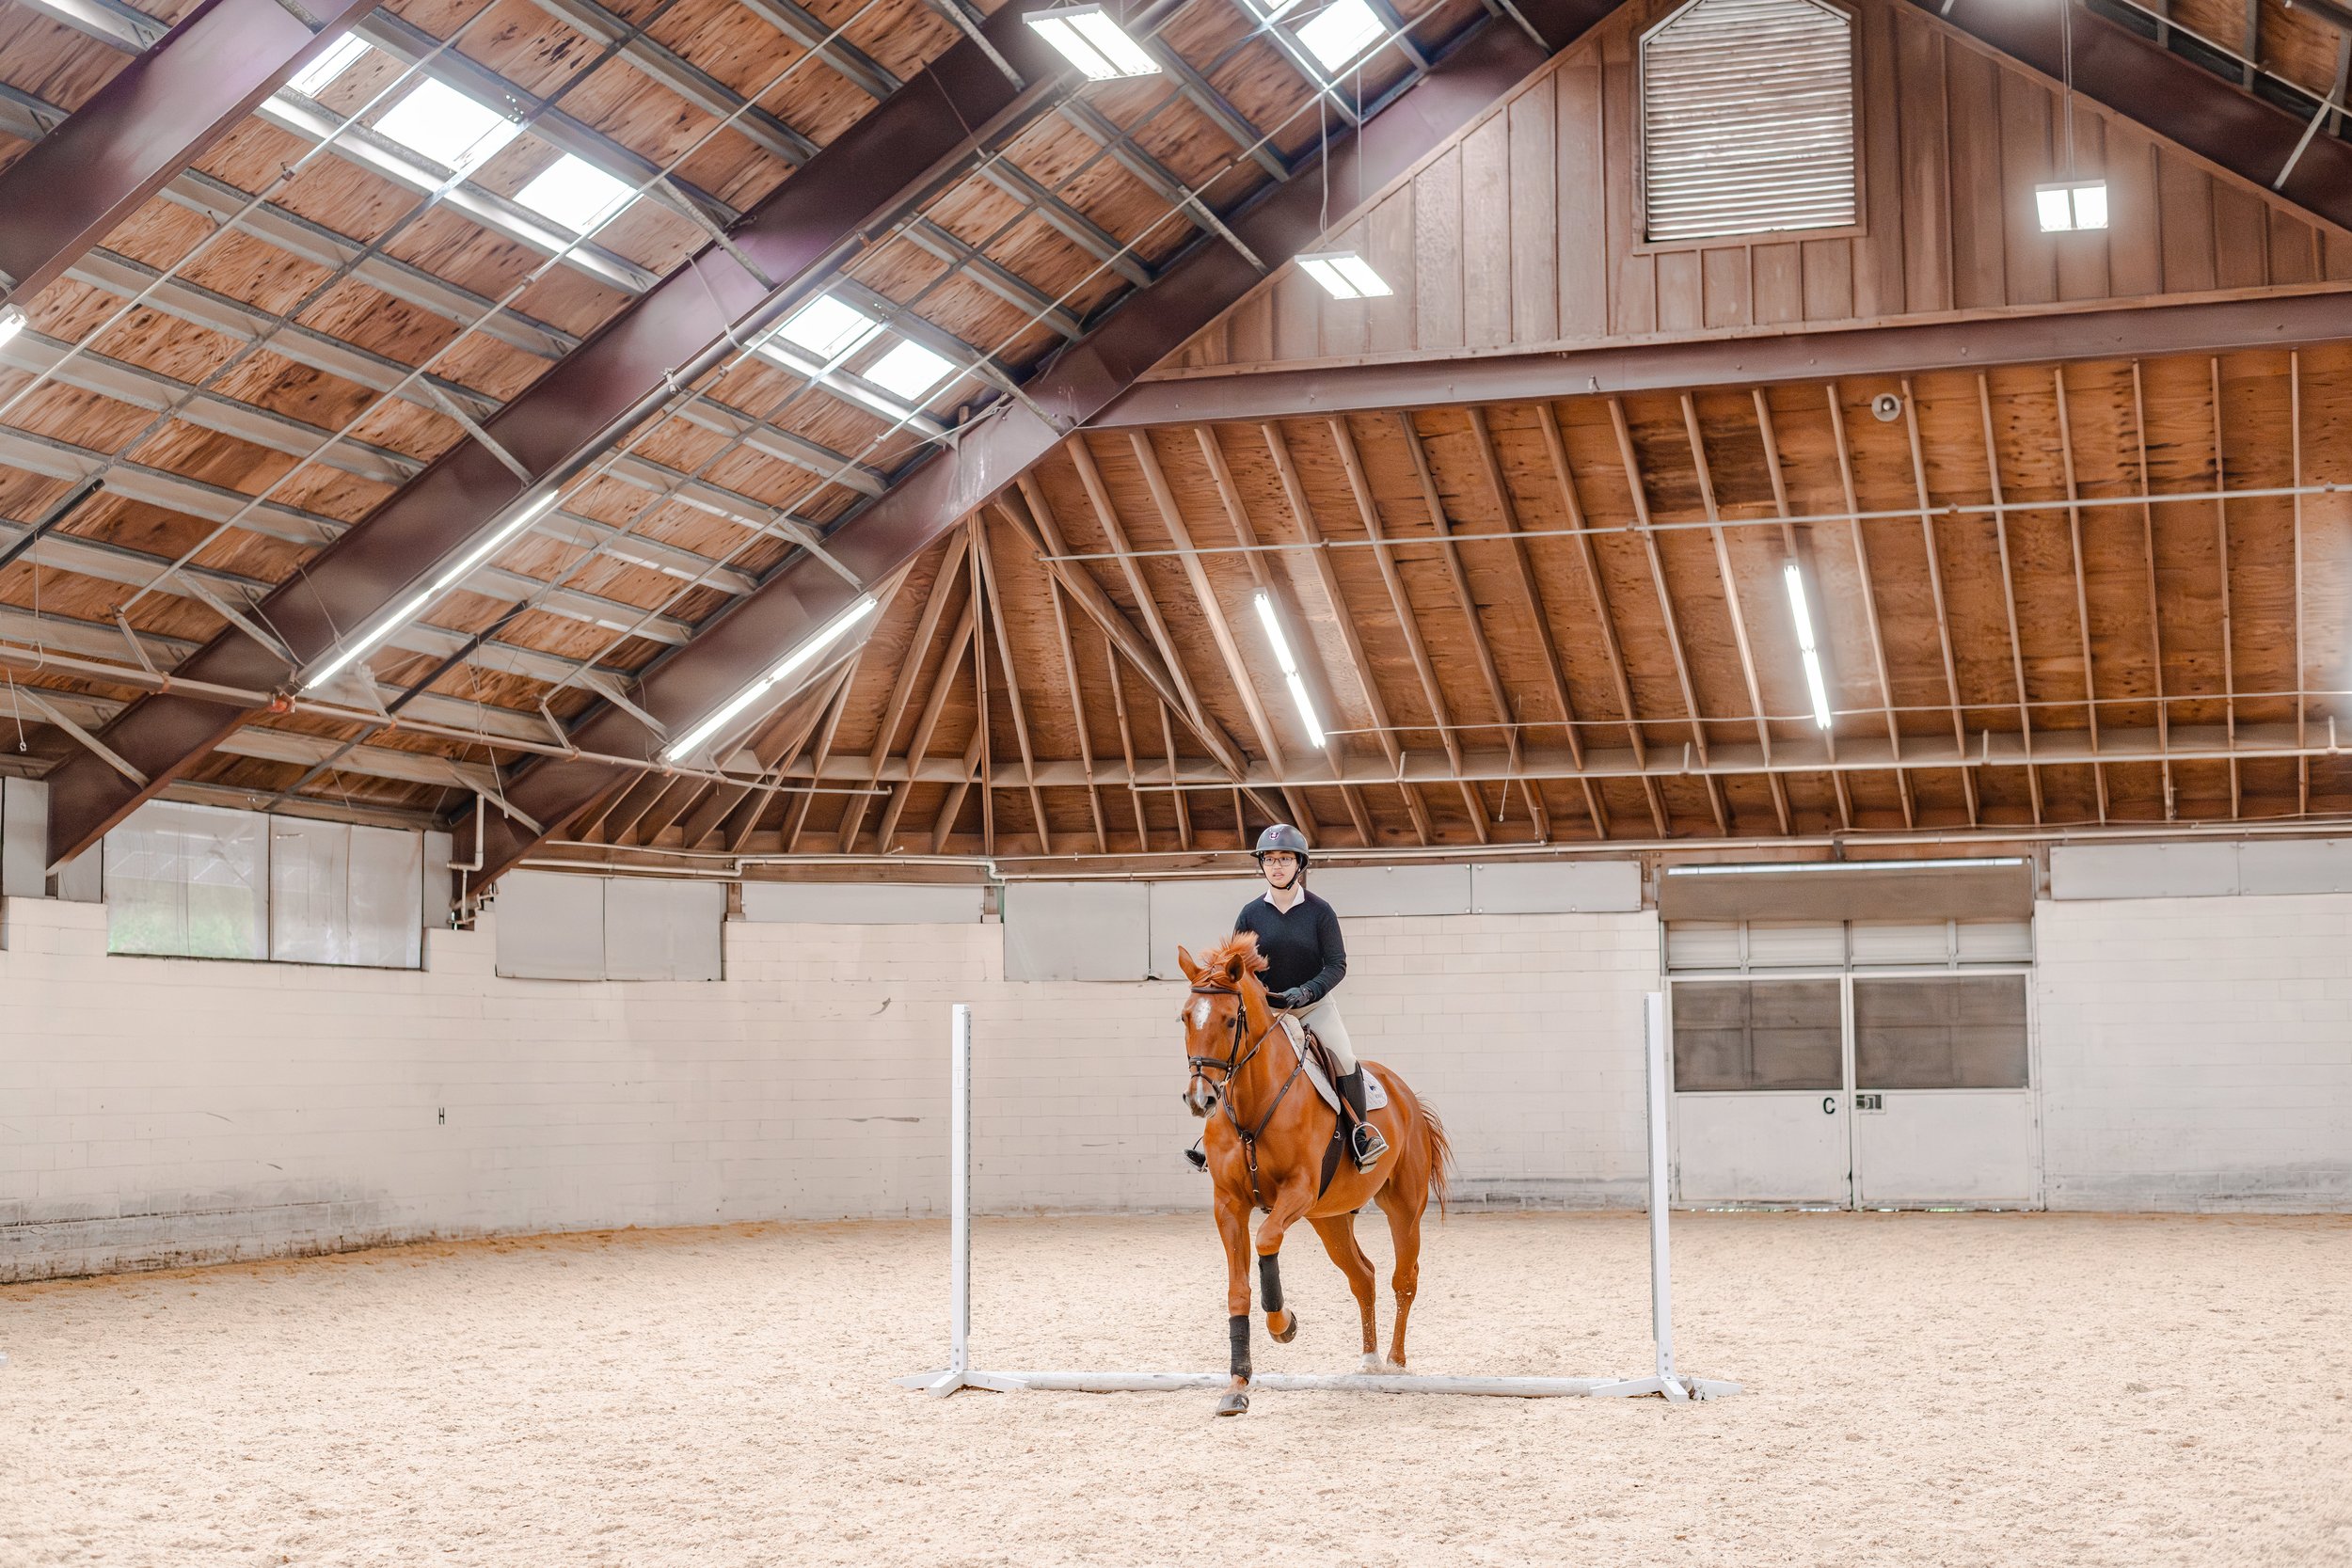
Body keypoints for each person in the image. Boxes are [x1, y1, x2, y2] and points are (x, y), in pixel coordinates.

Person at [1232, 823, 1389, 1169]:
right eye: (1269, 859)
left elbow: (1337, 965)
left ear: (1299, 864)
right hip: (1269, 1011)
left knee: (1345, 1058)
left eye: (1285, 858)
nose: (1276, 866)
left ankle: (1360, 1134)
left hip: (1313, 1007)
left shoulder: (1320, 911)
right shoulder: (1250, 913)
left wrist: (1307, 991)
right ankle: (1216, 1140)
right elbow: (1239, 969)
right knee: (1233, 1060)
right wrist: (1261, 997)